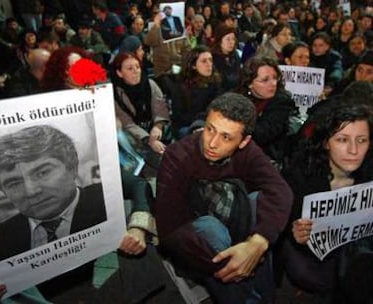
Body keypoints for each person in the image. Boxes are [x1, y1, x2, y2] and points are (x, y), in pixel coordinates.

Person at [153, 92, 293, 304]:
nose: (212, 143)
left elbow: (281, 190)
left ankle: (265, 298)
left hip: (235, 227)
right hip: (195, 248)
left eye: (226, 137)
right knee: (211, 228)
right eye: (210, 129)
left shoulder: (248, 152)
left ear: (244, 141)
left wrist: (258, 243)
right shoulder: (177, 156)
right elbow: (170, 232)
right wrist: (231, 264)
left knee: (260, 200)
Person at [280, 101, 373, 303]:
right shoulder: (299, 176)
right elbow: (282, 220)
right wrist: (294, 230)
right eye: (342, 139)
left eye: (362, 140)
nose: (353, 150)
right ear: (325, 142)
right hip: (311, 259)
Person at [0, 125, 107, 262]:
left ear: (72, 167)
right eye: (14, 183)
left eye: (42, 173)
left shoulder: (108, 201)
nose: (31, 191)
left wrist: (134, 225)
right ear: (3, 191)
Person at [238, 55, 296, 168]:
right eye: (265, 80)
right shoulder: (237, 96)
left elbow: (262, 134)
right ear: (250, 83)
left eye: (275, 78)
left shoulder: (282, 101)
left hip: (267, 158)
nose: (273, 83)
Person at [111, 52, 170, 158]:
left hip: (155, 131)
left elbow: (161, 109)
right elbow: (127, 123)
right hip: (134, 137)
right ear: (119, 73)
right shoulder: (115, 94)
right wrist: (149, 140)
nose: (136, 71)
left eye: (137, 67)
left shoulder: (150, 84)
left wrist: (158, 126)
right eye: (130, 68)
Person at [161, 45, 223, 138]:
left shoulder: (215, 82)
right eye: (204, 61)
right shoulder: (181, 87)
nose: (209, 64)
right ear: (194, 65)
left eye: (210, 60)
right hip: (186, 126)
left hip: (209, 124)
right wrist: (199, 122)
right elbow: (179, 117)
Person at [211, 24, 242, 91]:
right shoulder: (213, 57)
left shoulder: (235, 55)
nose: (231, 42)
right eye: (228, 39)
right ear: (220, 41)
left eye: (233, 39)